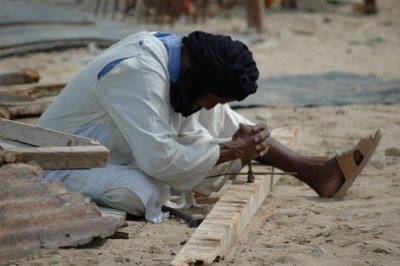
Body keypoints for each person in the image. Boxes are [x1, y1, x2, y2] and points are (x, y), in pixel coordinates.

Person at [37, 31, 381, 223]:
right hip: (66, 161)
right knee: (145, 192)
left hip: (126, 143)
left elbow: (187, 135)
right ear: (195, 75)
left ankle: (313, 170)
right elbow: (160, 161)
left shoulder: (183, 59)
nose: (208, 103)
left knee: (214, 124)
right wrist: (231, 149)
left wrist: (231, 143)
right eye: (212, 95)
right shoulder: (136, 72)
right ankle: (308, 169)